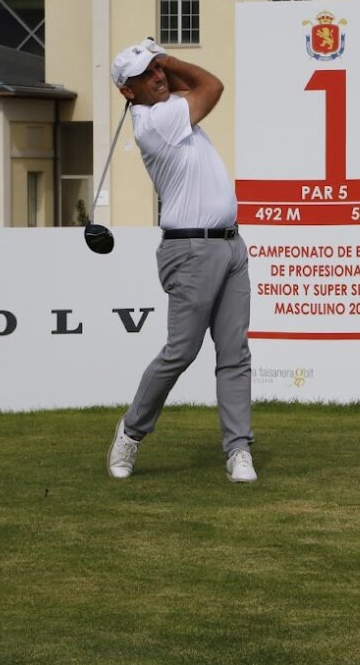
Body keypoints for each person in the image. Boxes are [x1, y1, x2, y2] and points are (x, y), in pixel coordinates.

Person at [105, 38, 256, 483]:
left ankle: (238, 449)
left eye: (159, 68)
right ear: (127, 92)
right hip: (190, 250)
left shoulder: (170, 109)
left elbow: (197, 90)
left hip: (230, 245)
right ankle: (131, 433)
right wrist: (168, 59)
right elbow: (212, 85)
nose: (158, 75)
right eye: (147, 73)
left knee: (235, 354)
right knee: (181, 352)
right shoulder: (154, 121)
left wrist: (157, 65)